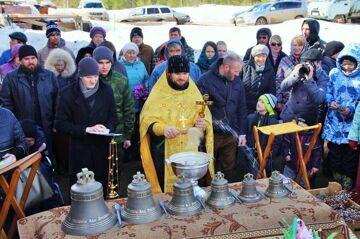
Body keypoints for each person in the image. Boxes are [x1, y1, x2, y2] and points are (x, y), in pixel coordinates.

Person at [140, 55, 214, 193]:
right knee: (166, 192)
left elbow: (205, 118)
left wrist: (202, 124)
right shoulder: (159, 92)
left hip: (190, 147)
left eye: (185, 73)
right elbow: (147, 121)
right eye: (177, 73)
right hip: (164, 149)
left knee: (190, 187)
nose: (182, 77)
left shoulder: (193, 92)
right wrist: (163, 129)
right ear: (169, 73)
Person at [55, 57, 118, 193]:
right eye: (88, 77)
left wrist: (107, 128)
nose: (93, 80)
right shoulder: (67, 93)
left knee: (102, 189)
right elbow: (60, 124)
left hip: (102, 149)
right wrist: (86, 129)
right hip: (80, 151)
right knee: (81, 191)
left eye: (95, 76)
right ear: (80, 76)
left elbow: (113, 117)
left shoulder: (106, 90)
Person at [0, 45, 58, 158]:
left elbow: (57, 102)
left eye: (33, 58)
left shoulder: (49, 76)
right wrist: (16, 128)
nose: (30, 61)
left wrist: (55, 123)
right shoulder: (11, 78)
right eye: (26, 59)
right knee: (26, 161)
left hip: (47, 126)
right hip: (23, 129)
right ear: (20, 61)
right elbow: (7, 105)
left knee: (48, 157)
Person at [197, 53, 247, 181]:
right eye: (235, 71)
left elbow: (242, 108)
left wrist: (242, 133)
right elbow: (199, 107)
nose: (237, 74)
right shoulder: (204, 80)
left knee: (229, 168)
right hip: (211, 134)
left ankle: (227, 193)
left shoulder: (237, 82)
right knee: (208, 169)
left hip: (231, 133)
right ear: (225, 67)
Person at [323, 44, 360, 190]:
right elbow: (328, 90)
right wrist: (330, 101)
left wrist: (350, 110)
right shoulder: (334, 74)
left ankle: (347, 184)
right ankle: (336, 182)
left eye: (350, 64)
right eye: (344, 64)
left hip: (351, 127)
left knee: (350, 157)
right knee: (334, 154)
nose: (347, 67)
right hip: (334, 123)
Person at [93, 46, 135, 148]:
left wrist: (128, 135)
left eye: (108, 62)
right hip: (94, 135)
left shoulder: (121, 81)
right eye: (101, 63)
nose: (104, 66)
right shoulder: (89, 80)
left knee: (115, 163)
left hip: (117, 135)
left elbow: (128, 109)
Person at [280, 49, 328, 124]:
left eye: (310, 63)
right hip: (289, 115)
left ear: (319, 63)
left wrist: (309, 79)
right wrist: (294, 75)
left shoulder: (323, 77)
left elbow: (319, 99)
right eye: (305, 62)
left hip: (306, 120)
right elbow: (283, 87)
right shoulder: (299, 71)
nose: (307, 65)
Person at [120, 42, 149, 163]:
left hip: (138, 102)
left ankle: (137, 153)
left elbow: (147, 78)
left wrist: (144, 87)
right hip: (125, 103)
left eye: (133, 52)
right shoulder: (120, 65)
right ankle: (125, 154)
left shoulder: (140, 64)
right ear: (124, 53)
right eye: (128, 53)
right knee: (127, 127)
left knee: (137, 128)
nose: (131, 55)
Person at [282, 119, 322, 187]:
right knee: (285, 183)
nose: (299, 123)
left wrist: (315, 165)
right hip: (291, 164)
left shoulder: (313, 137)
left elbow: (317, 153)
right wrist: (286, 154)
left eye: (303, 123)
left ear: (309, 125)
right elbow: (285, 144)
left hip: (306, 167)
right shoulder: (292, 133)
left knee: (303, 185)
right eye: (299, 121)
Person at [247, 94, 279, 175]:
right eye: (259, 100)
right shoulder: (251, 117)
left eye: (263, 102)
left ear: (268, 106)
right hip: (252, 154)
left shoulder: (273, 122)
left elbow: (276, 142)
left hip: (265, 156)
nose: (259, 103)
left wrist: (268, 155)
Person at [276, 35, 308, 110]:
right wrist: (279, 100)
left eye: (300, 45)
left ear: (304, 47)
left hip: (304, 103)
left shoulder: (307, 61)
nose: (297, 48)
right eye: (294, 45)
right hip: (287, 102)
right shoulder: (284, 60)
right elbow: (278, 81)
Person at [242, 44, 275, 114]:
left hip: (262, 108)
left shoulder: (270, 70)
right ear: (253, 56)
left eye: (264, 56)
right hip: (244, 107)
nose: (261, 59)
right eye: (258, 56)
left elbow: (272, 91)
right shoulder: (244, 67)